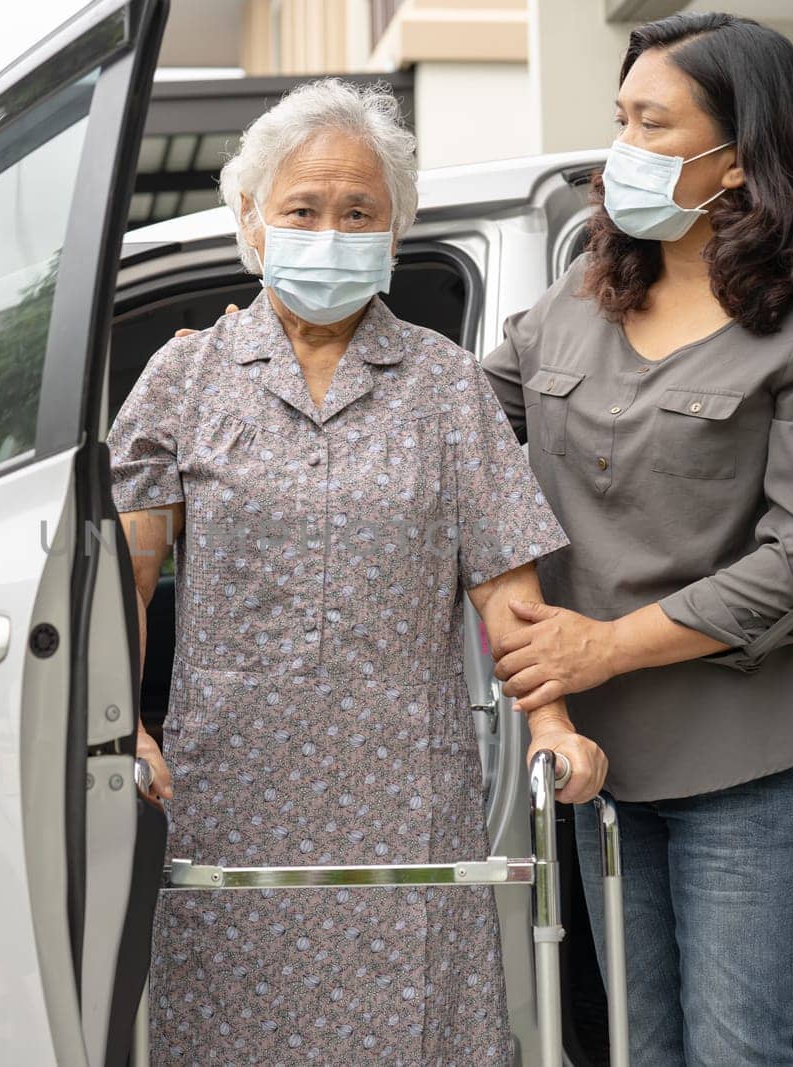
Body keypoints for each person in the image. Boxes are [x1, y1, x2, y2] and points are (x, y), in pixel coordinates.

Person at [109, 78, 606, 1065]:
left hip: (403, 790)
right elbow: (121, 572)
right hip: (229, 790)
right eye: (302, 209)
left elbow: (505, 587)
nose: (328, 231)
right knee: (232, 1030)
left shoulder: (444, 382)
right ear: (250, 219)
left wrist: (553, 723)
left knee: (410, 1031)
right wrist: (126, 720)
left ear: (393, 231)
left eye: (357, 212)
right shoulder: (184, 375)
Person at [480, 13, 793, 1065]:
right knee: (636, 1045)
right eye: (619, 117)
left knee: (737, 1050)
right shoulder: (578, 302)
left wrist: (605, 645)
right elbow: (448, 429)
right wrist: (274, 339)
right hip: (603, 761)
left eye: (651, 123)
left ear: (740, 160)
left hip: (752, 760)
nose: (620, 146)